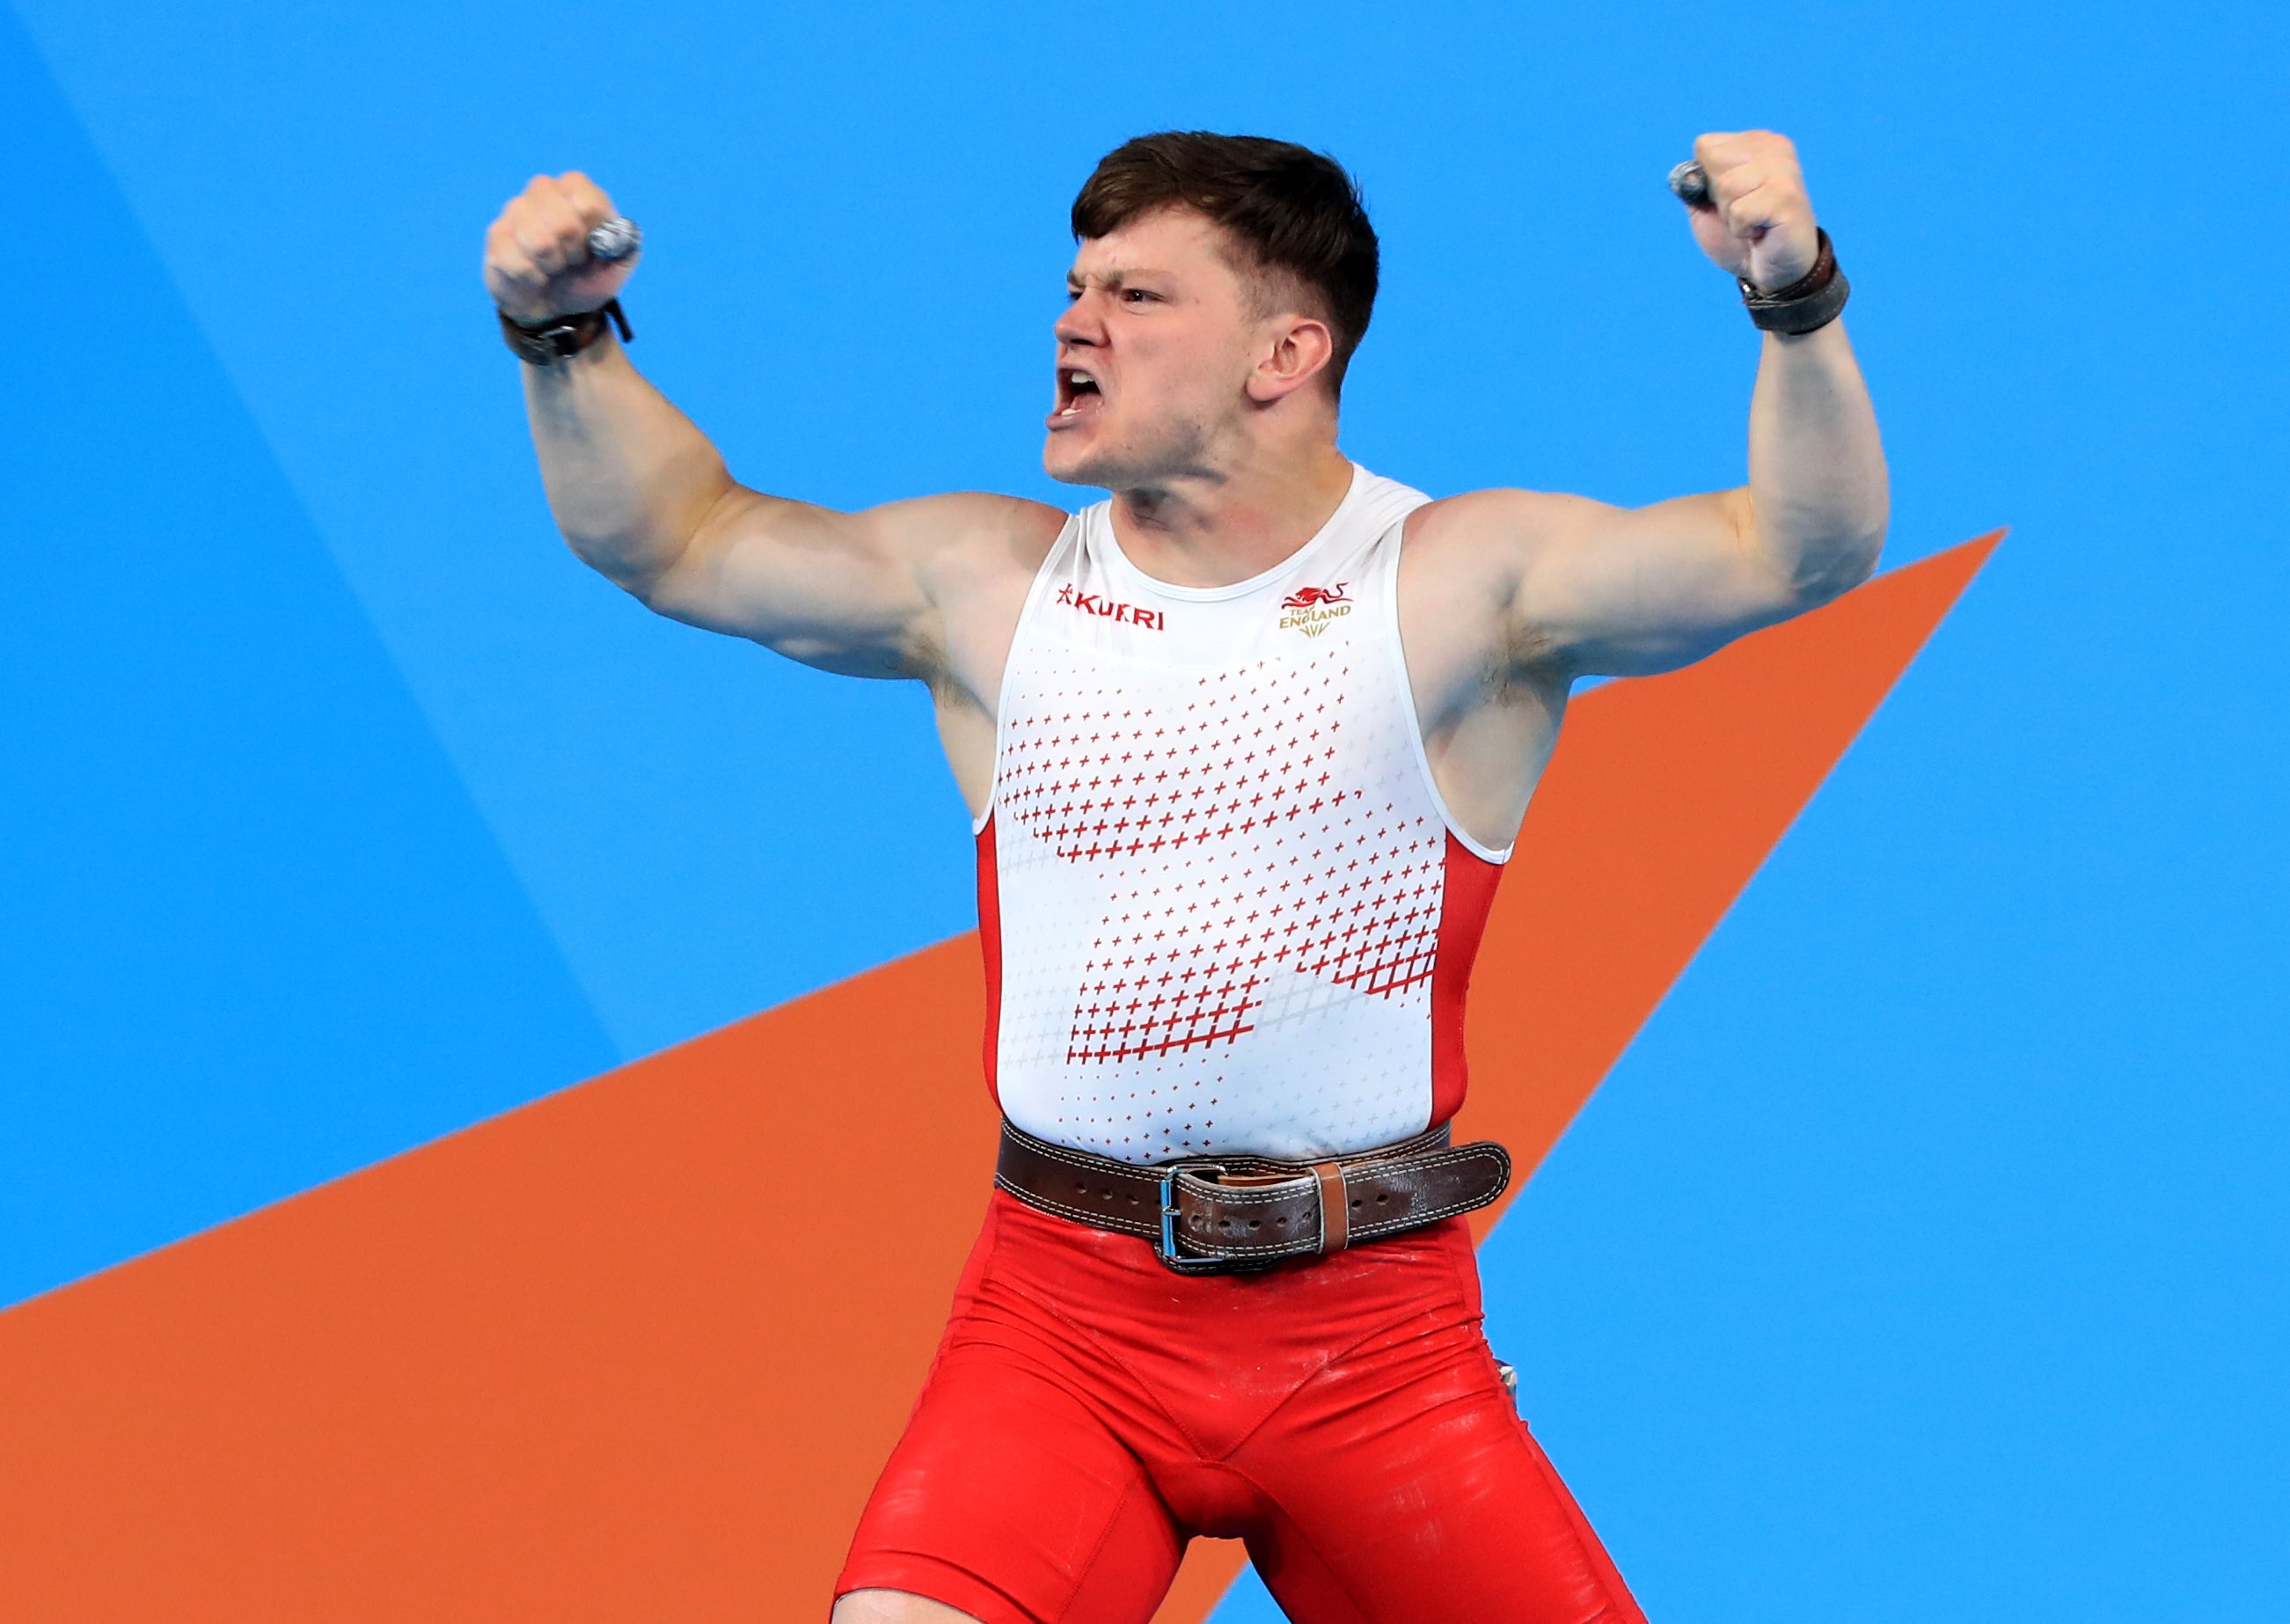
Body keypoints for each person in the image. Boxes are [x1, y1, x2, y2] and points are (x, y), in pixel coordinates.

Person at [483, 128, 1886, 1624]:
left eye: (1138, 297)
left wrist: (1794, 301)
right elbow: (676, 540)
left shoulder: (1458, 585)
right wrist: (561, 337)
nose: (1073, 322)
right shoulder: (988, 588)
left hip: (1372, 1357)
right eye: (1077, 285)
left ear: (1285, 351)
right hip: (1057, 1331)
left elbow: (1798, 551)